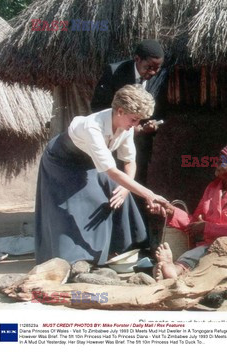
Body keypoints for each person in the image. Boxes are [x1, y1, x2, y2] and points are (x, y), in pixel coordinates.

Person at [35, 84, 166, 265]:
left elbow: (129, 161)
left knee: (117, 193)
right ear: (120, 111)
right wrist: (149, 195)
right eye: (134, 119)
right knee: (78, 205)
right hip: (63, 162)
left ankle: (121, 248)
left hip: (90, 161)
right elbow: (111, 171)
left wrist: (125, 190)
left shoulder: (125, 127)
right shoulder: (93, 127)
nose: (136, 126)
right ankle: (77, 260)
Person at [152, 144, 227, 280]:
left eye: (221, 162)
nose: (216, 163)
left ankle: (175, 269)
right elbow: (194, 223)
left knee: (205, 253)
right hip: (210, 246)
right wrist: (171, 210)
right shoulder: (212, 188)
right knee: (202, 252)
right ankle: (174, 270)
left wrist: (206, 227)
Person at [91, 39, 165, 185]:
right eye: (148, 67)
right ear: (137, 59)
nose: (153, 72)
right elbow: (98, 106)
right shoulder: (114, 72)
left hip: (141, 145)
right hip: (113, 142)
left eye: (157, 68)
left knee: (137, 184)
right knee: (113, 185)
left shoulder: (160, 76)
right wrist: (126, 127)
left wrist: (153, 125)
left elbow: (161, 109)